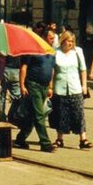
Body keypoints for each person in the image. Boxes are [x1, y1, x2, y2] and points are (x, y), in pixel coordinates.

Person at [13, 24, 55, 153]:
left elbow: (51, 70)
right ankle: (45, 143)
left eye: (54, 38)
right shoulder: (33, 50)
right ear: (43, 37)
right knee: (39, 114)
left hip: (44, 86)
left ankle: (20, 139)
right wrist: (22, 85)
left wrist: (50, 86)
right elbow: (24, 67)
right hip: (33, 85)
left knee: (32, 115)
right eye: (51, 38)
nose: (53, 40)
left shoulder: (51, 52)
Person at [50, 30, 92, 149]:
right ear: (63, 41)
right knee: (61, 114)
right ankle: (59, 139)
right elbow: (52, 71)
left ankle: (83, 139)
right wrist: (50, 87)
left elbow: (83, 70)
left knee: (79, 114)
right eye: (69, 41)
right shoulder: (55, 52)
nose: (71, 43)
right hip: (60, 88)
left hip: (75, 88)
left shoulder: (77, 52)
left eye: (72, 41)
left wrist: (84, 85)